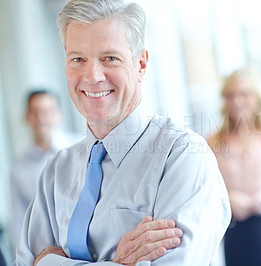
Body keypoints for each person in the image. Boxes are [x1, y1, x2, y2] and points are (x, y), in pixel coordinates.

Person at [14, 0, 231, 265]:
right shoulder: (57, 171)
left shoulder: (183, 157)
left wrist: (48, 262)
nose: (92, 76)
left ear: (140, 64)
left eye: (110, 58)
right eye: (78, 59)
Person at [207, 68, 261, 266]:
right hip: (235, 230)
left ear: (257, 97)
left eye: (244, 94)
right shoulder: (212, 142)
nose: (237, 101)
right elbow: (204, 192)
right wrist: (228, 199)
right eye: (231, 95)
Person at [9, 90, 83, 256]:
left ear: (59, 115)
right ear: (27, 117)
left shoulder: (81, 149)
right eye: (35, 112)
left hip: (86, 248)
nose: (41, 118)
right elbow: (18, 223)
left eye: (47, 111)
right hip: (45, 255)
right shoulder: (19, 168)